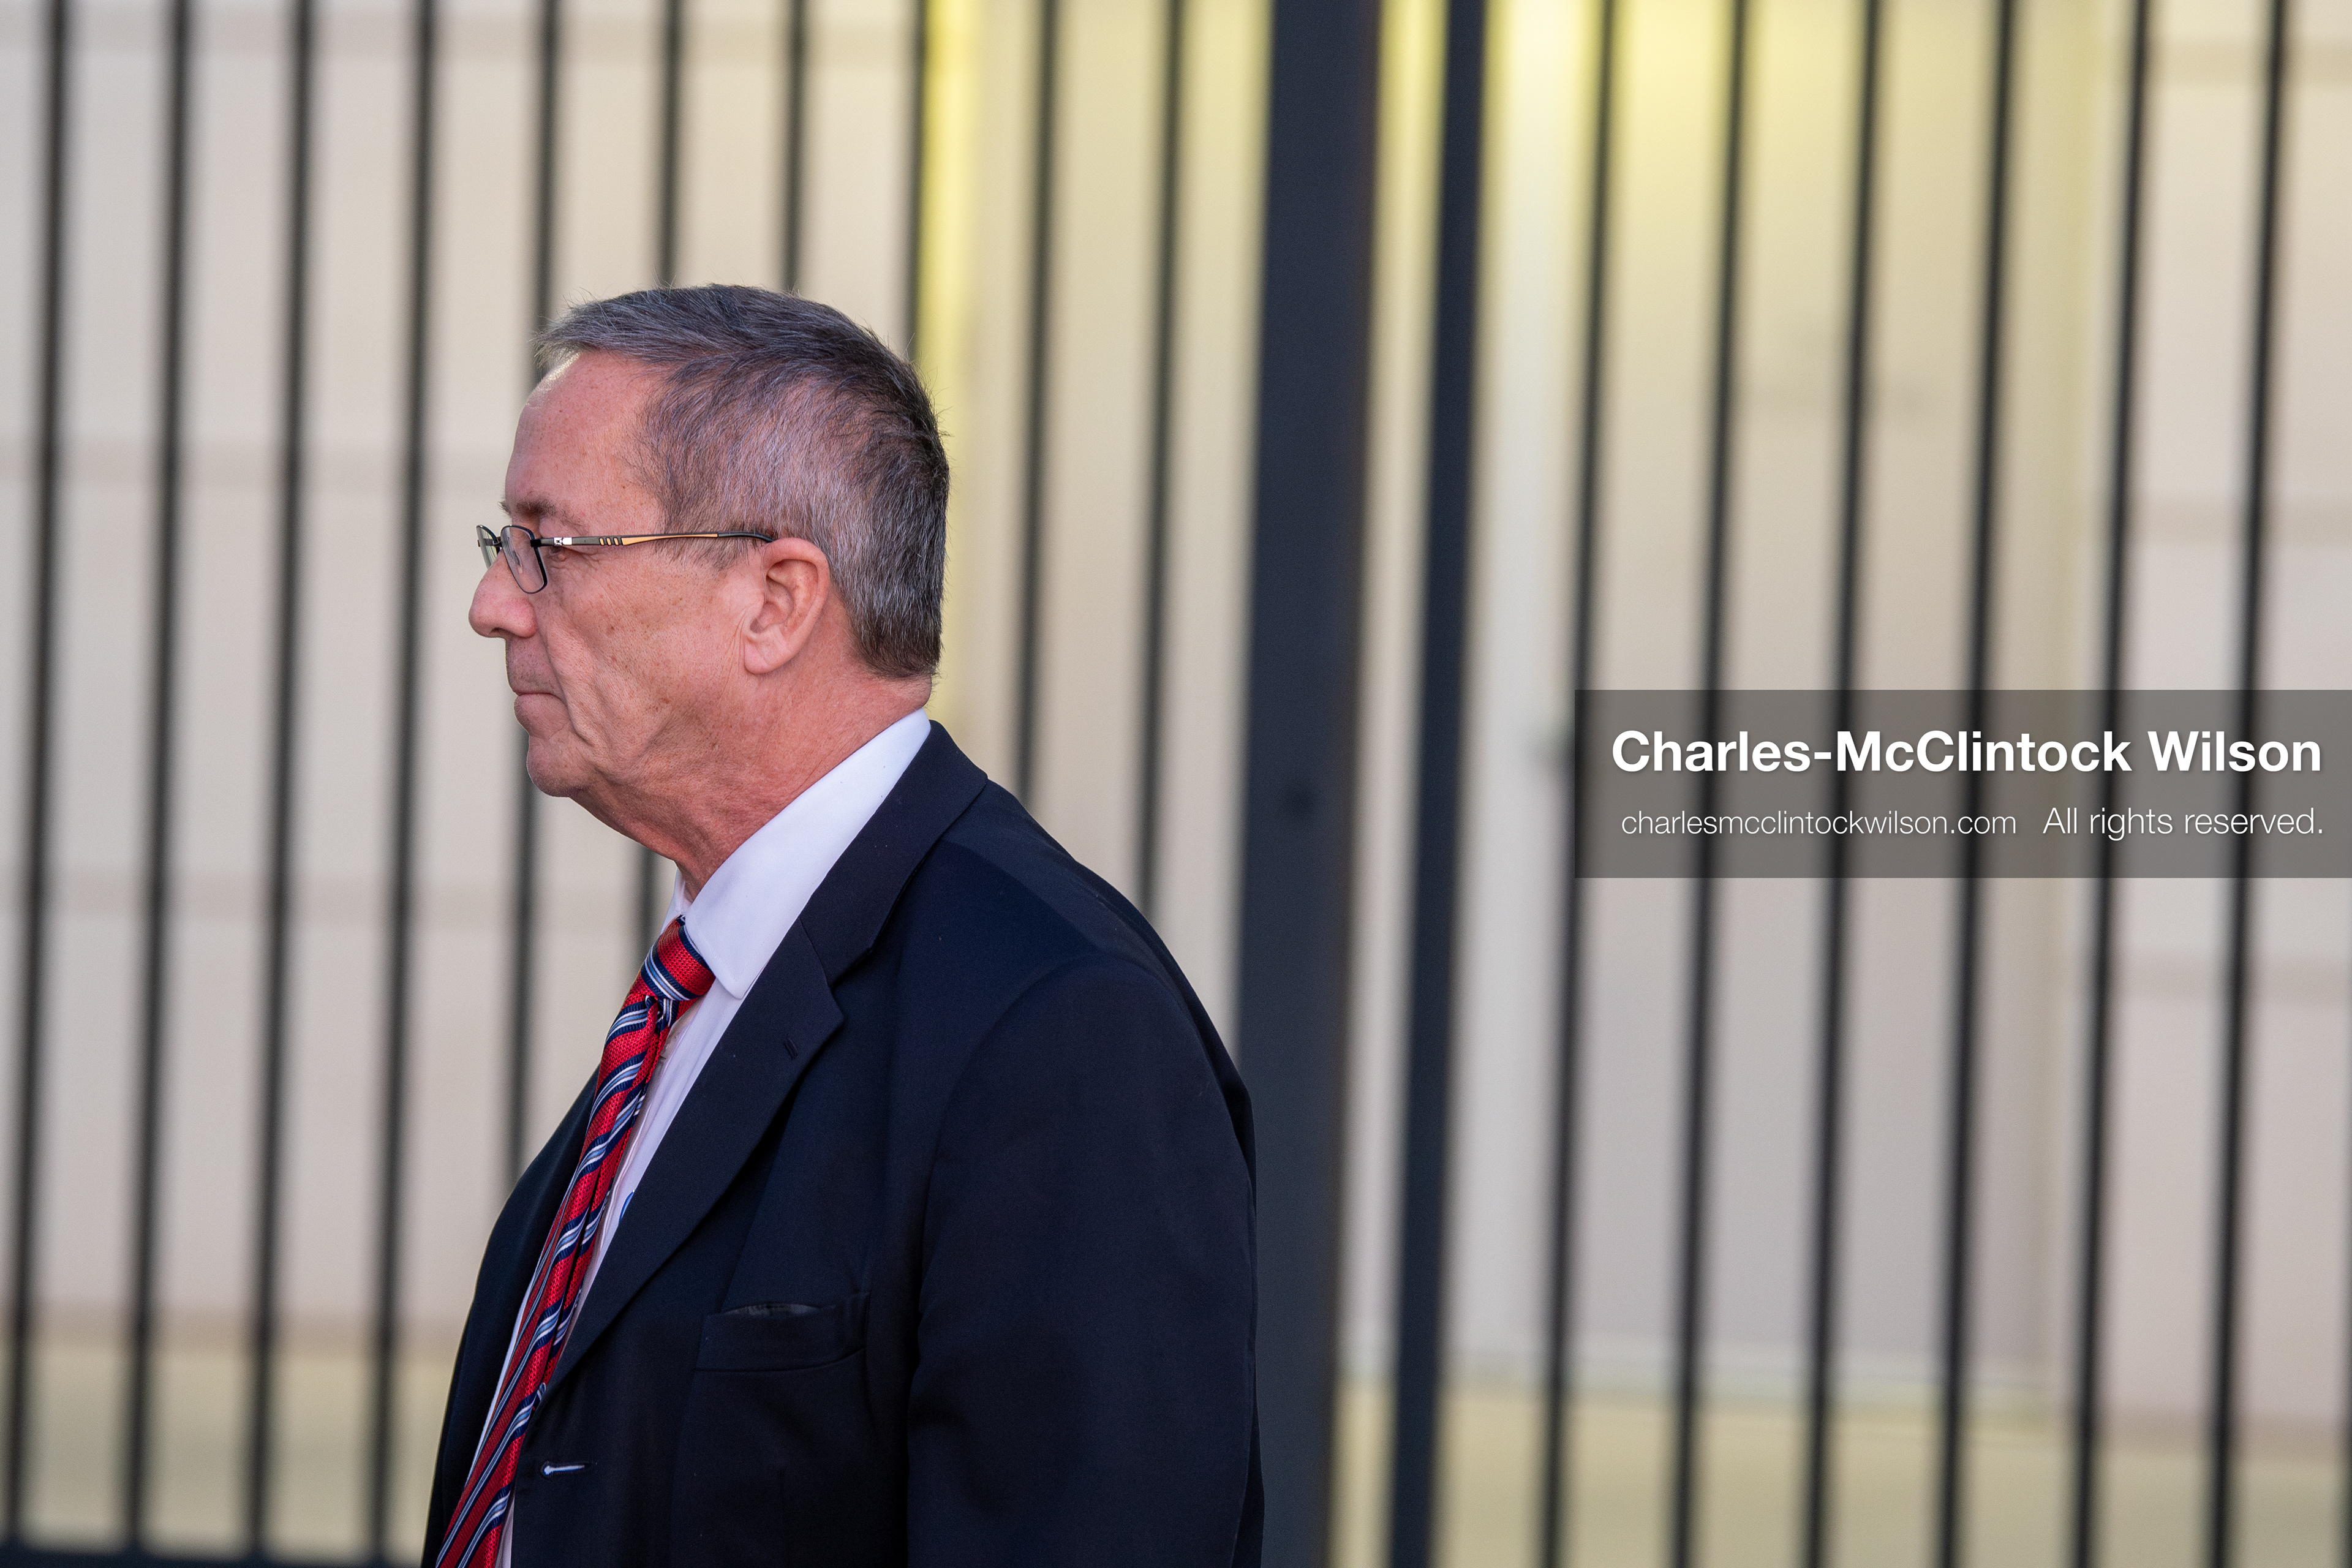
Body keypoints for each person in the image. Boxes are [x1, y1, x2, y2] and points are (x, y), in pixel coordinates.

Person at [426, 284, 1260, 1568]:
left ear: (775, 600)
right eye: (504, 540)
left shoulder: (1060, 1031)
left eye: (551, 546)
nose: (496, 603)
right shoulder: (707, 980)